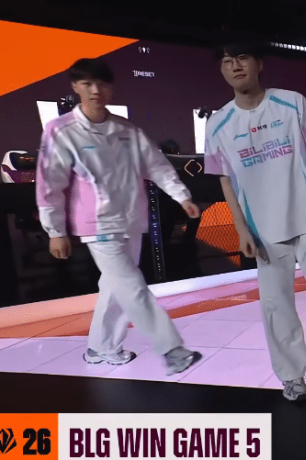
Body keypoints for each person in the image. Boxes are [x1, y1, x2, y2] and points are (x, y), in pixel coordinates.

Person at [203, 41, 306, 402]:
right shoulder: (218, 123)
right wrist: (241, 228)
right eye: (227, 61)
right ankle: (292, 377)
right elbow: (225, 181)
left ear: (258, 63)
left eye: (242, 57)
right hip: (263, 230)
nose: (235, 66)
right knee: (276, 307)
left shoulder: (291, 103)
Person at [36, 58, 203, 375]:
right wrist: (55, 231)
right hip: (97, 224)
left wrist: (181, 196)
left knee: (115, 287)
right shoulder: (61, 131)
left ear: (111, 88)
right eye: (87, 84)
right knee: (132, 286)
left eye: (102, 84)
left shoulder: (127, 130)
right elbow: (50, 184)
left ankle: (101, 348)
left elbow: (157, 165)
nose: (95, 90)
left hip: (131, 220)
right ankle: (173, 350)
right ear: (75, 87)